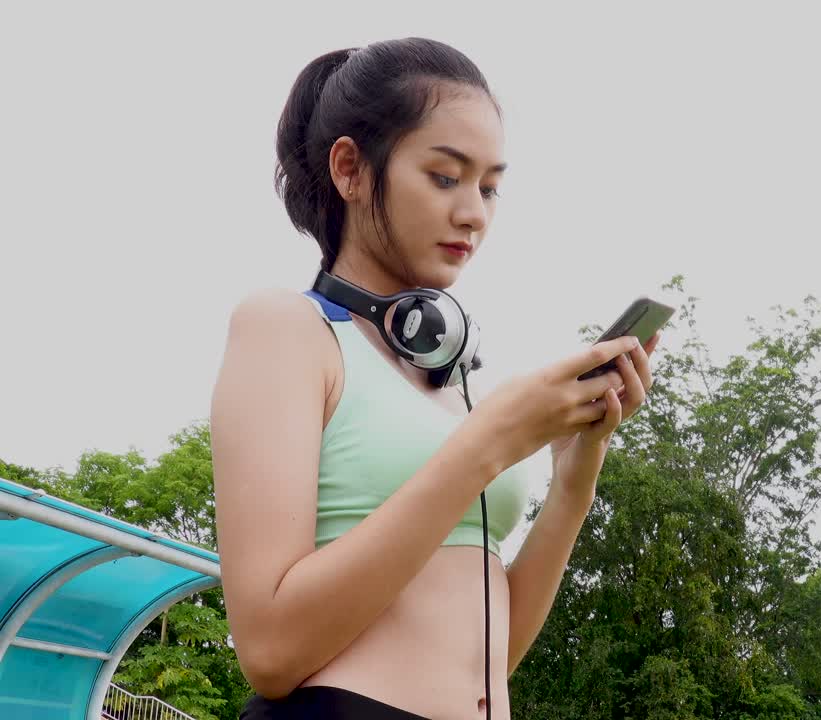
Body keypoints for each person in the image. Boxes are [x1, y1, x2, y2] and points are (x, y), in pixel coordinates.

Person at [210, 37, 659, 720]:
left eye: (490, 187)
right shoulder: (287, 329)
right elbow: (270, 651)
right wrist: (490, 443)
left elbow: (492, 658)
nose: (474, 212)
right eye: (446, 177)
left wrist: (572, 483)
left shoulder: (454, 386)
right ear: (350, 169)